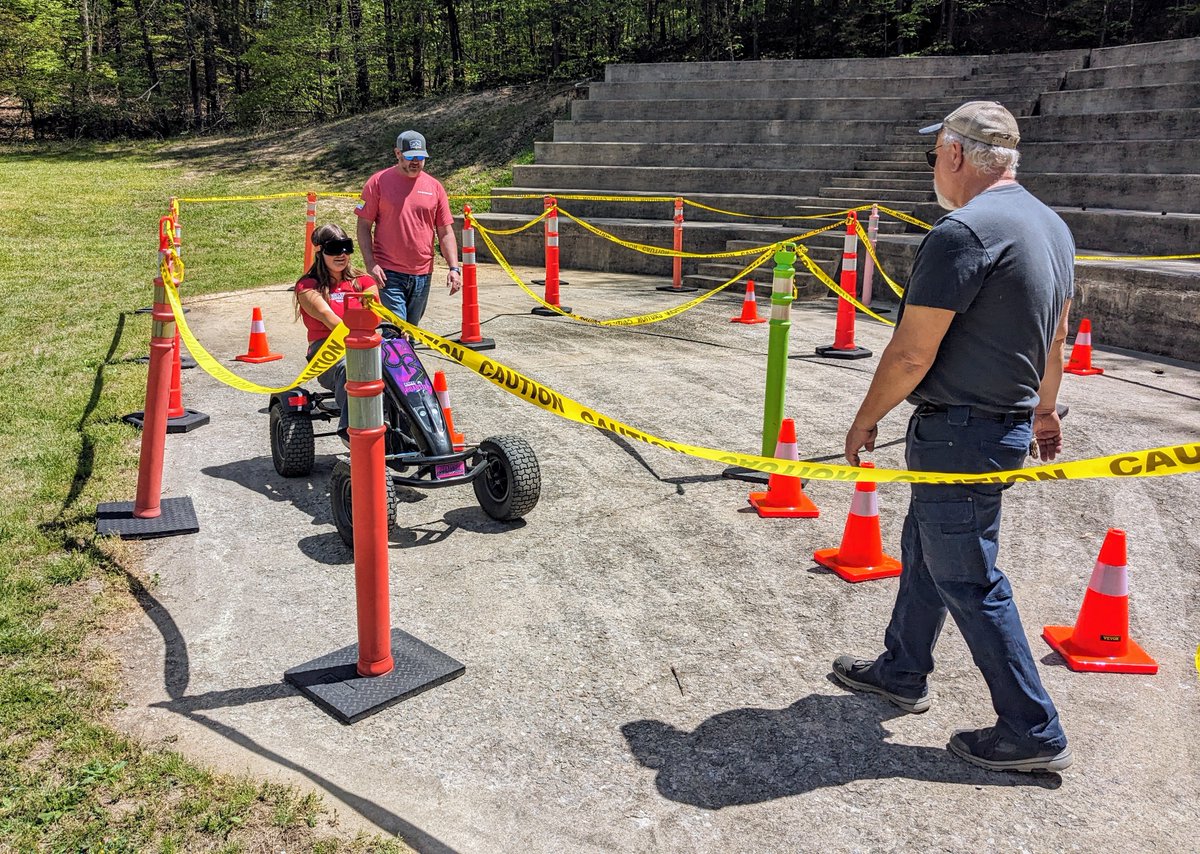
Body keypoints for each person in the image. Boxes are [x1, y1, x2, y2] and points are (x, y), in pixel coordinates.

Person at [833, 101, 1075, 774]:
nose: (934, 165)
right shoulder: (1049, 225)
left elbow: (912, 353)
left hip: (960, 430)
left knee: (969, 578)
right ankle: (900, 669)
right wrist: (1045, 410)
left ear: (956, 153)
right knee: (926, 548)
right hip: (996, 424)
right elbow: (1055, 335)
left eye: (935, 153)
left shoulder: (963, 233)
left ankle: (1032, 727)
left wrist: (865, 417)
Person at [355, 129, 462, 326]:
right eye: (411, 156)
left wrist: (454, 268)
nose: (416, 162)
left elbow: (445, 232)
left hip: (423, 273)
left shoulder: (435, 187)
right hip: (388, 273)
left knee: (412, 331)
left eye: (421, 157)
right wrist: (371, 263)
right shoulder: (377, 183)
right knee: (396, 332)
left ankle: (401, 357)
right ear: (398, 154)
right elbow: (363, 226)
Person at [294, 223, 379, 441]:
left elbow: (376, 316)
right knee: (348, 366)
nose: (341, 254)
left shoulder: (364, 282)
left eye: (346, 247)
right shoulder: (308, 287)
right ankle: (350, 429)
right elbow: (331, 320)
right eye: (334, 249)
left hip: (366, 343)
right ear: (320, 252)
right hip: (327, 351)